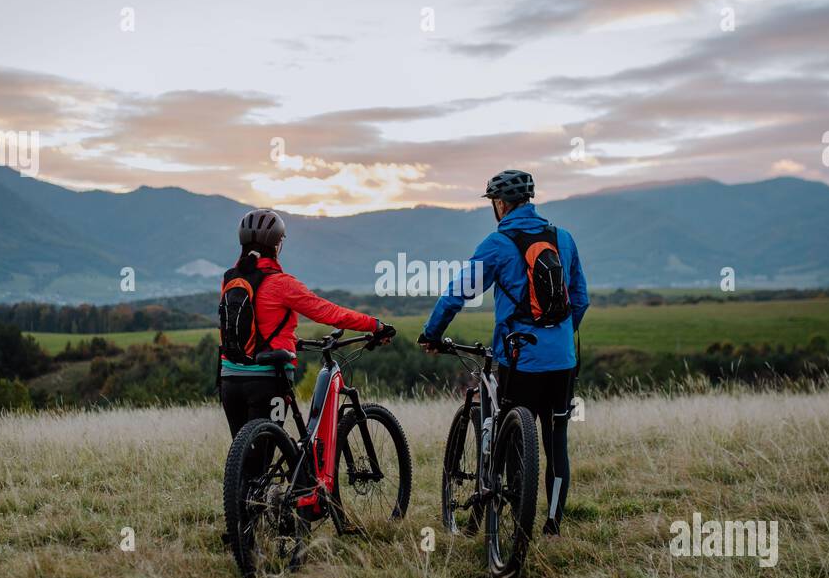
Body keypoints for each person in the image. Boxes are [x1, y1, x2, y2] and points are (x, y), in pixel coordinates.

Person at [418, 170, 589, 536]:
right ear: (529, 200)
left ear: (499, 204)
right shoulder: (564, 238)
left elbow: (458, 293)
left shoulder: (497, 243)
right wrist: (558, 337)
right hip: (562, 361)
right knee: (556, 440)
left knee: (513, 436)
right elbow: (581, 299)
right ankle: (553, 525)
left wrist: (432, 333)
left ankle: (515, 518)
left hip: (518, 359)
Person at [218, 208, 395, 437]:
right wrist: (375, 325)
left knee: (242, 459)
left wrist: (291, 340)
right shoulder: (281, 284)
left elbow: (248, 325)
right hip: (268, 379)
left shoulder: (231, 278)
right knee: (262, 454)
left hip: (229, 378)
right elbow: (330, 313)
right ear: (276, 245)